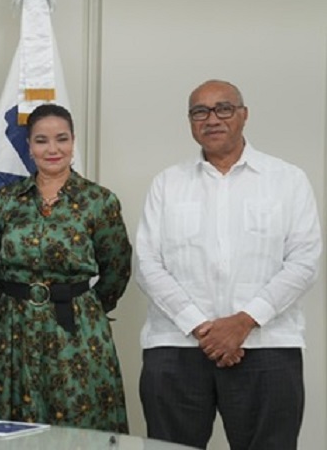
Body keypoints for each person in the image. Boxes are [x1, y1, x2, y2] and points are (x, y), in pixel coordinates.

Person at [135, 79, 322, 449]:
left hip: (267, 345)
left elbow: (304, 261)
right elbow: (147, 263)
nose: (212, 119)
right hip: (176, 347)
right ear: (190, 122)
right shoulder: (167, 184)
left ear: (243, 115)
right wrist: (203, 328)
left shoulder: (287, 180)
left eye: (223, 108)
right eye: (199, 112)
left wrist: (243, 322)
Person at [0, 103, 131, 432]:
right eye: (41, 140)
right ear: (29, 147)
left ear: (73, 142)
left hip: (77, 330)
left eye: (61, 139)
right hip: (15, 330)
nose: (53, 149)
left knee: (79, 416)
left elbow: (116, 269)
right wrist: (25, 299)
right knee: (17, 421)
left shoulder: (99, 201)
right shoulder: (7, 199)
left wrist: (83, 306)